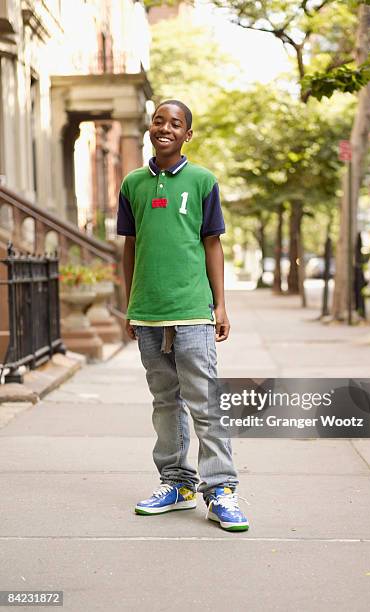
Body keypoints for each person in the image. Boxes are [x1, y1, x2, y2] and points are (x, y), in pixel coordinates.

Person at [116, 99, 249, 532]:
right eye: (159, 120)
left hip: (193, 311)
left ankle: (221, 490)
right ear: (149, 128)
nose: (166, 128)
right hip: (148, 313)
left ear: (187, 134)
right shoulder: (132, 184)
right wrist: (129, 303)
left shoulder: (202, 180)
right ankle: (176, 483)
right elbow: (130, 247)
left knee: (205, 402)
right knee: (164, 403)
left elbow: (213, 243)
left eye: (176, 123)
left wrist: (220, 304)